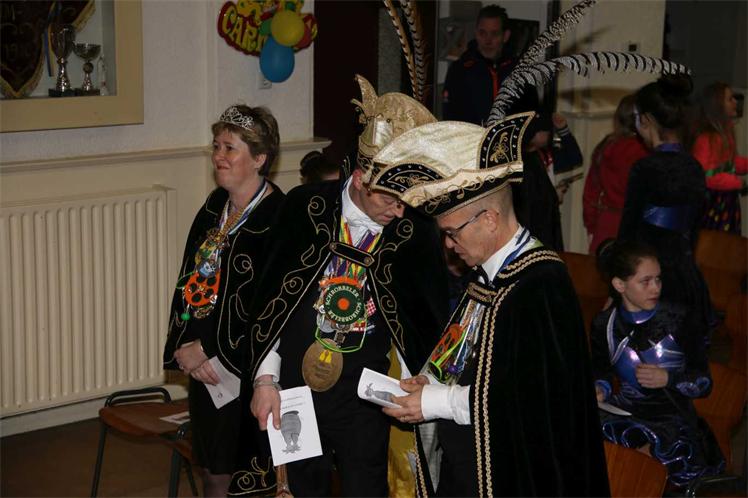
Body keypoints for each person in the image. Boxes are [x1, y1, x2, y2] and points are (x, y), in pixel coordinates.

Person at [368, 114, 610, 497]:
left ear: (490, 219)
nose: (449, 245)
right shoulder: (487, 274)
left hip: (515, 475)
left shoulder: (539, 283)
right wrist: (431, 379)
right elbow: (462, 349)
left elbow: (526, 400)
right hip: (470, 466)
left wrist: (433, 401)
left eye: (453, 232)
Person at [230, 76, 449, 497]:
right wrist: (265, 380)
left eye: (406, 200)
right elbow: (267, 305)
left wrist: (418, 388)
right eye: (389, 199)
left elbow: (422, 320)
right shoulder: (303, 207)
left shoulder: (415, 231)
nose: (399, 212)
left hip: (365, 400)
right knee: (299, 491)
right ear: (362, 177)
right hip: (293, 391)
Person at [162, 104, 285, 497]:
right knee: (211, 469)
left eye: (230, 148)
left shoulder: (277, 218)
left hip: (243, 367)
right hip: (202, 364)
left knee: (238, 475)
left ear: (260, 158)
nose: (219, 156)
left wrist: (208, 348)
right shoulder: (215, 205)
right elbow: (189, 277)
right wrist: (185, 343)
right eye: (216, 146)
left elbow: (270, 305)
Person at [590, 240, 725, 487]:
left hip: (671, 419)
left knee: (639, 463)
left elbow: (704, 383)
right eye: (645, 281)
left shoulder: (680, 319)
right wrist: (602, 388)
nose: (655, 288)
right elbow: (603, 370)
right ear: (619, 285)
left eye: (658, 279)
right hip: (626, 413)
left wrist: (668, 378)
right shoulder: (604, 325)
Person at [618, 75, 714, 340]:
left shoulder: (645, 168)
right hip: (686, 278)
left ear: (646, 120)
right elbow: (693, 231)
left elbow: (629, 233)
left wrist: (619, 282)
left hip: (650, 282)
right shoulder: (694, 168)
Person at [583, 94, 649, 253]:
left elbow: (591, 193)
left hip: (605, 224)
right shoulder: (645, 151)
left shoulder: (606, 145)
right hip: (634, 227)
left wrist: (592, 226)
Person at [442, 5, 517, 125]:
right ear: (476, 33)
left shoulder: (518, 70)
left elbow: (531, 114)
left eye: (494, 34)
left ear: (505, 36)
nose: (488, 40)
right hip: (470, 136)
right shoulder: (459, 70)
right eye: (483, 33)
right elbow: (449, 118)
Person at [692, 82, 748, 233]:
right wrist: (736, 182)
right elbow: (705, 176)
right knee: (716, 243)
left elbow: (729, 163)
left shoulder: (724, 134)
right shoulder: (706, 139)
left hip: (727, 202)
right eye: (730, 99)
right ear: (717, 106)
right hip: (714, 204)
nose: (735, 102)